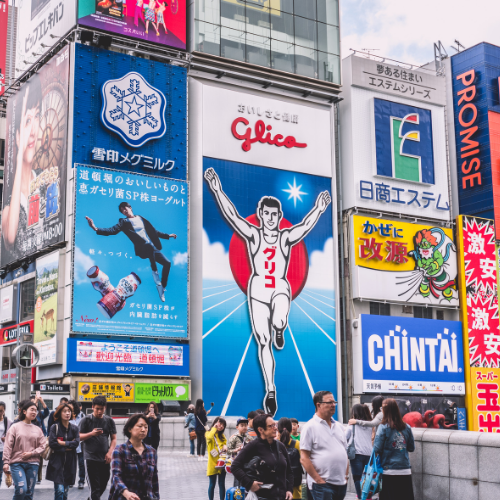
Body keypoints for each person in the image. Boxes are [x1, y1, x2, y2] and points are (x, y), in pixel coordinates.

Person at [205, 168, 331, 415]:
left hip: (280, 286)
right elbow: (233, 216)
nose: (271, 218)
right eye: (267, 214)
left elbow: (304, 227)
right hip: (258, 288)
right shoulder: (253, 235)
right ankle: (270, 389)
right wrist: (217, 189)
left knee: (280, 318)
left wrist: (319, 208)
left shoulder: (284, 238)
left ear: (279, 215)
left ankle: (281, 327)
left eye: (275, 214)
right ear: (261, 215)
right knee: (263, 341)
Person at [86, 201, 177, 302]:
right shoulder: (124, 222)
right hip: (142, 248)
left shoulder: (140, 218)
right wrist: (95, 228)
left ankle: (162, 287)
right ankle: (155, 273)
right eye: (122, 211)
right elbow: (113, 230)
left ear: (130, 208)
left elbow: (153, 231)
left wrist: (167, 235)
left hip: (151, 247)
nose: (124, 211)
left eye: (125, 208)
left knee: (167, 263)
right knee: (149, 246)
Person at [1, 74, 43, 264]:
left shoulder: (49, 180)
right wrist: (18, 156)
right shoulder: (8, 209)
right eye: (27, 121)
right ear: (17, 136)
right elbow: (10, 238)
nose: (33, 129)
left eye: (37, 116)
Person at [300, 391, 349, 500]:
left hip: (341, 483)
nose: (333, 405)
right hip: (322, 484)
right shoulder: (310, 427)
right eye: (330, 402)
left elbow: (344, 452)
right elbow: (304, 458)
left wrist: (346, 476)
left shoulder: (339, 427)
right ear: (318, 405)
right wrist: (318, 480)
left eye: (334, 402)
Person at [232, 413, 293, 500]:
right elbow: (235, 466)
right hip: (262, 497)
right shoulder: (253, 446)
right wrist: (249, 484)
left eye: (275, 424)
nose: (275, 428)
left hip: (282, 497)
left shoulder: (280, 446)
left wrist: (289, 490)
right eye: (271, 426)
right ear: (260, 430)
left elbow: (289, 471)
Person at [108, 414, 159, 500]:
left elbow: (154, 480)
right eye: (140, 426)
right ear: (130, 429)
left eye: (146, 427)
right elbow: (116, 476)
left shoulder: (152, 451)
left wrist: (156, 497)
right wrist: (126, 493)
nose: (143, 430)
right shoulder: (120, 450)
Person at [2, 400, 46, 500]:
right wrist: (6, 462)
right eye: (32, 410)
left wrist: (31, 453)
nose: (34, 412)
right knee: (21, 490)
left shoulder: (38, 429)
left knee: (29, 493)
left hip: (33, 464)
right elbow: (8, 445)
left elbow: (43, 446)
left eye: (36, 410)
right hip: (17, 463)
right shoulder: (14, 427)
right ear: (24, 411)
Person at [373, 399, 415, 500]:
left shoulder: (383, 427)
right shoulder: (407, 427)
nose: (381, 410)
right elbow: (411, 448)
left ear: (385, 410)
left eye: (382, 408)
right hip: (405, 470)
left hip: (389, 471)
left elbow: (377, 448)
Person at [79, 396, 117, 500]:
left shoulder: (109, 421)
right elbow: (78, 437)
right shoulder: (86, 420)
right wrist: (91, 434)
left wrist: (110, 453)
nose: (99, 411)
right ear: (92, 407)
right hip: (90, 458)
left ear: (105, 407)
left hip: (104, 459)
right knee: (95, 489)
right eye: (97, 409)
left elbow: (114, 439)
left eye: (102, 408)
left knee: (103, 485)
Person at [46, 403, 80, 500]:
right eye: (64, 411)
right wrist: (67, 447)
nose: (67, 413)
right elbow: (52, 443)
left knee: (65, 492)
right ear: (59, 413)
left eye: (69, 411)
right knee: (59, 490)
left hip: (70, 463)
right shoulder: (54, 427)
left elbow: (76, 443)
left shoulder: (74, 428)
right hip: (57, 463)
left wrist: (62, 443)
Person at [345, 404, 373, 500]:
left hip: (356, 454)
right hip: (369, 454)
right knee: (367, 478)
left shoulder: (352, 426)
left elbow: (344, 438)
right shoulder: (370, 425)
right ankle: (367, 497)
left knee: (357, 478)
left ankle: (360, 497)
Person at [278, 417, 302, 500]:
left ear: (277, 430)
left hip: (277, 490)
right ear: (291, 430)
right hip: (295, 490)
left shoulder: (273, 444)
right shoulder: (298, 444)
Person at [206, 417, 227, 500]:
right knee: (212, 484)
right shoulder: (209, 433)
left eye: (223, 425)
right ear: (215, 423)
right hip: (212, 463)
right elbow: (209, 438)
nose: (221, 426)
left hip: (221, 462)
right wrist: (214, 428)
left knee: (222, 484)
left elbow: (225, 443)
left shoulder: (222, 436)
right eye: (220, 424)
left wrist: (225, 446)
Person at [29, 395, 49, 484]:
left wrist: (41, 401)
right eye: (33, 401)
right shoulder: (28, 414)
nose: (35, 403)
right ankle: (31, 474)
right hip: (29, 437)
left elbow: (47, 412)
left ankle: (38, 477)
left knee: (39, 457)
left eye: (36, 402)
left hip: (40, 437)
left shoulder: (40, 414)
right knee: (31, 455)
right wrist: (35, 401)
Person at [68, 399, 86, 489]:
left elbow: (86, 429)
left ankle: (81, 481)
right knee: (71, 463)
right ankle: (71, 481)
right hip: (71, 444)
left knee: (82, 464)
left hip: (81, 444)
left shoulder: (82, 416)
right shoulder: (67, 417)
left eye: (71, 407)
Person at [0, 401, 12, 486]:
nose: (0, 412)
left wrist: (6, 438)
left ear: (4, 411)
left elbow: (11, 435)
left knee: (0, 474)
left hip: (2, 451)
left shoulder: (7, 421)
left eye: (1, 410)